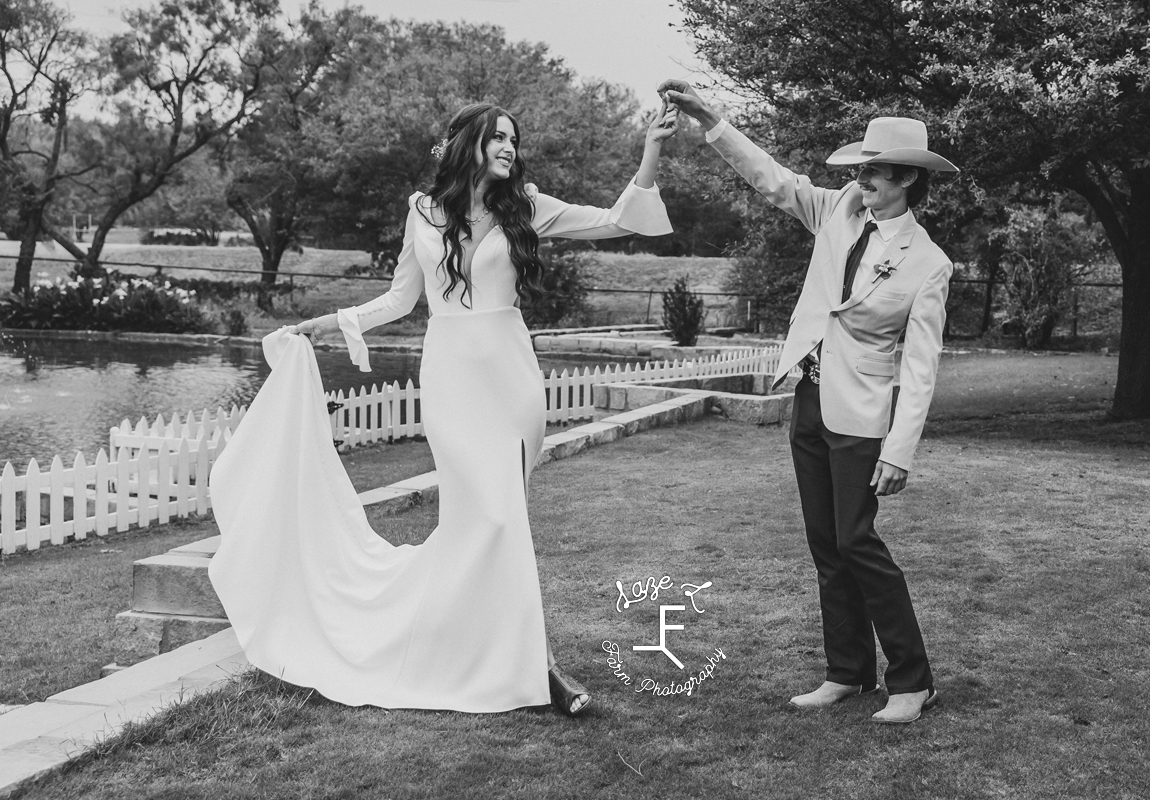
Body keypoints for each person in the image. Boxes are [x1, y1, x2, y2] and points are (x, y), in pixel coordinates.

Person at [208, 101, 677, 716]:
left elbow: (619, 221)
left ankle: (523, 661)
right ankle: (536, 666)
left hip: (511, 382)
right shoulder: (423, 213)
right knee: (482, 522)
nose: (509, 147)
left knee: (503, 522)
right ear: (468, 146)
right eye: (497, 138)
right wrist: (334, 320)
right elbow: (402, 298)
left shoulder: (528, 206)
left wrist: (650, 150)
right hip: (452, 379)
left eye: (514, 138)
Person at [658, 79, 957, 724]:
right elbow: (770, 179)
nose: (862, 178)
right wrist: (713, 119)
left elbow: (921, 368)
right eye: (862, 168)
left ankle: (913, 679)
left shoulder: (928, 264)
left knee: (857, 541)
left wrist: (899, 451)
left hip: (864, 415)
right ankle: (846, 672)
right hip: (811, 397)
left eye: (876, 170)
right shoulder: (836, 214)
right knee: (825, 543)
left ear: (907, 179)